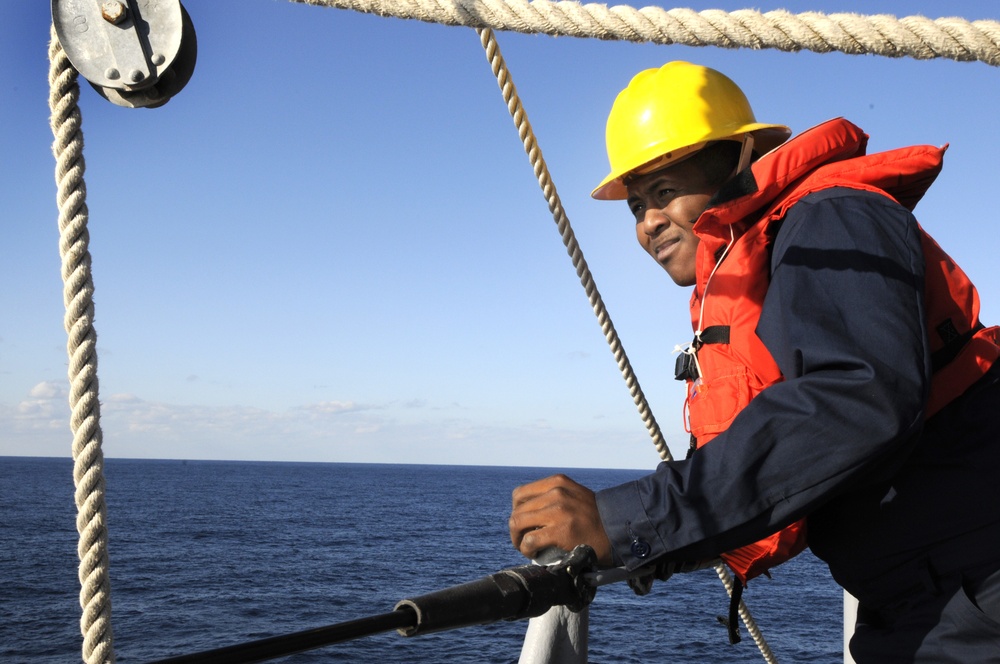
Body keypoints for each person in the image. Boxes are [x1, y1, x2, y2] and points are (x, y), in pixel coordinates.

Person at [508, 61, 1000, 662]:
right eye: (636, 205)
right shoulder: (772, 254)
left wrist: (623, 520)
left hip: (973, 585)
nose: (647, 223)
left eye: (663, 192)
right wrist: (652, 543)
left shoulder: (831, 217)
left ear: (739, 158)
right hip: (921, 594)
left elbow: (856, 401)